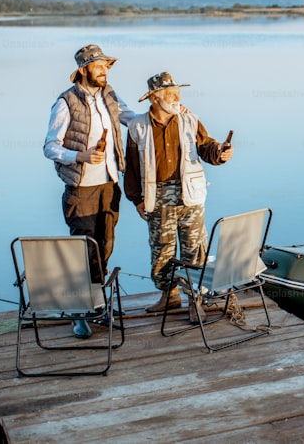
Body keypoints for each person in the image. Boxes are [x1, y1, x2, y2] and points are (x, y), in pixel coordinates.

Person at [43, 44, 135, 338]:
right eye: (99, 67)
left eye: (107, 66)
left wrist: (160, 109)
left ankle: (97, 304)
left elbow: (131, 118)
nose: (105, 71)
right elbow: (50, 147)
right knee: (83, 250)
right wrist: (79, 156)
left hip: (109, 184)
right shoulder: (66, 102)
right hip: (80, 189)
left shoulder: (109, 95)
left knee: (104, 247)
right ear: (84, 70)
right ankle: (78, 313)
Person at [124, 72, 233, 313]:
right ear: (155, 98)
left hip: (190, 194)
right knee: (161, 250)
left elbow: (207, 147)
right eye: (171, 94)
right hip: (157, 196)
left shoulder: (190, 120)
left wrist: (220, 152)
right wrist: (135, 199)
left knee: (194, 249)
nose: (177, 98)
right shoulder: (137, 126)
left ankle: (196, 300)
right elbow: (130, 166)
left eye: (178, 93)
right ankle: (169, 296)